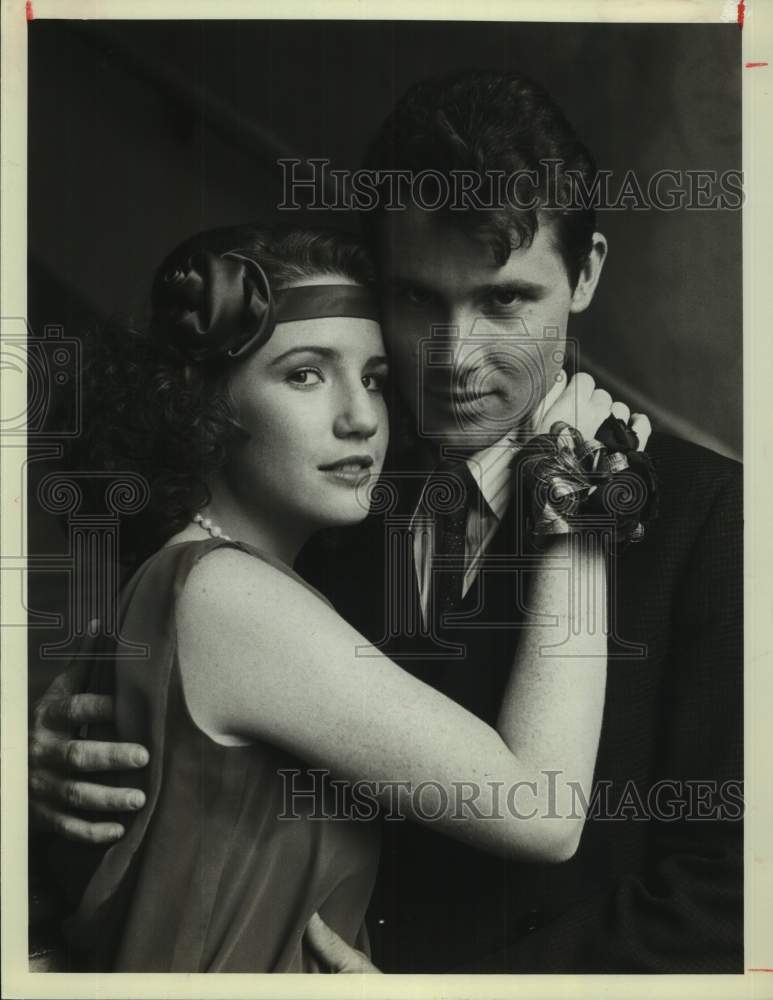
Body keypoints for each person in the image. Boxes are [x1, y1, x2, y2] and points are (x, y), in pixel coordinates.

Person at [30, 68, 741, 973]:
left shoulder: (716, 523)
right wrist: (42, 756)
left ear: (586, 272)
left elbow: (733, 894)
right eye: (416, 299)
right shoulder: (319, 483)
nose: (453, 357)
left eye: (504, 300)